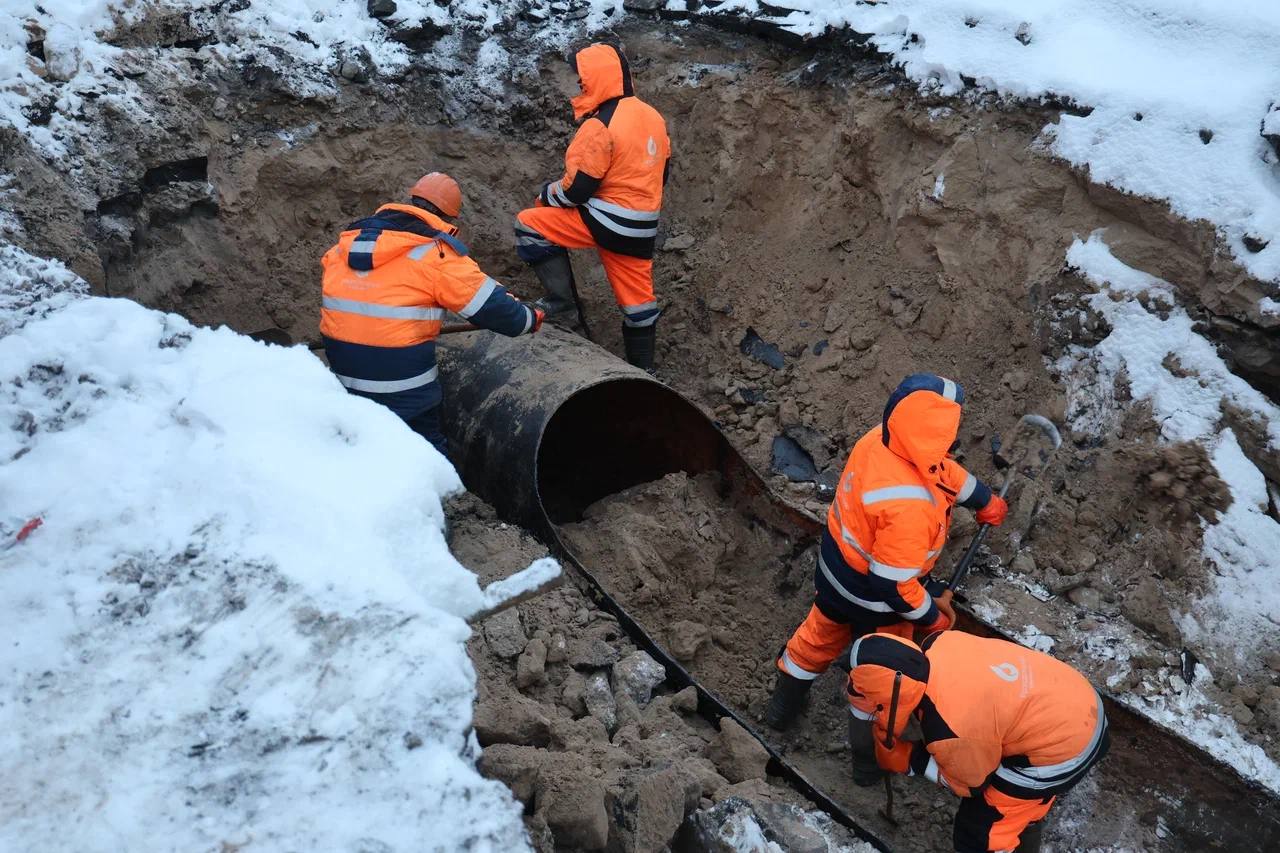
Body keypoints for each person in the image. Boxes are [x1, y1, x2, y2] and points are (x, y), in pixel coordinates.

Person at [765, 373, 1008, 736]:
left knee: (817, 637)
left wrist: (983, 499)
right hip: (875, 601)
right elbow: (892, 587)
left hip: (835, 573)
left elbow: (940, 470)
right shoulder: (911, 508)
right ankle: (866, 748)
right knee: (882, 670)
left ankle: (781, 709)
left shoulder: (881, 439)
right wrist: (930, 617)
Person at [320, 172, 543, 455]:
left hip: (343, 382)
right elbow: (501, 313)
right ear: (448, 217)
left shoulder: (342, 248)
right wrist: (529, 318)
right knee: (426, 455)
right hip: (403, 390)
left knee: (360, 449)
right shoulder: (435, 254)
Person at [847, 631, 1110, 853]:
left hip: (1064, 749)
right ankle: (1024, 820)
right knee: (1022, 806)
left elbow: (970, 785)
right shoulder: (939, 641)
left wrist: (910, 760)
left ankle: (1009, 832)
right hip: (1076, 698)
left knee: (979, 832)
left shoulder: (951, 729)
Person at [513, 42, 671, 371]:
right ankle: (644, 371)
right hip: (642, 228)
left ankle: (562, 306)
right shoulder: (654, 117)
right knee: (639, 307)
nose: (579, 85)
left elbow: (577, 191)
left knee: (529, 224)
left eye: (582, 80)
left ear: (597, 78)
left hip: (605, 222)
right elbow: (662, 174)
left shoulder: (600, 124)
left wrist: (545, 195)